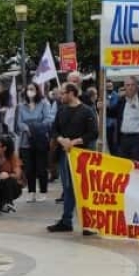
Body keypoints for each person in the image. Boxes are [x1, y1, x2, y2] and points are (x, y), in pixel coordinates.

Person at [48, 83, 99, 234]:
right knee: (68, 187)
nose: (60, 96)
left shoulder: (87, 111)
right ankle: (66, 220)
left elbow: (93, 133)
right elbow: (54, 129)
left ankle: (88, 223)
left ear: (71, 93)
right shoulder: (62, 110)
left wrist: (75, 142)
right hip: (65, 154)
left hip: (82, 155)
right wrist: (61, 140)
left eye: (63, 93)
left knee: (83, 188)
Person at [17, 83, 53, 202]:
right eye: (28, 89)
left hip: (40, 139)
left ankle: (43, 191)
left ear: (37, 90)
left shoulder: (44, 103)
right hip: (26, 140)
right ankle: (31, 192)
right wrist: (26, 128)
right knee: (29, 168)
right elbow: (19, 122)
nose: (30, 91)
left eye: (32, 89)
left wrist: (36, 127)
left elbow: (48, 119)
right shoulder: (21, 106)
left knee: (41, 167)